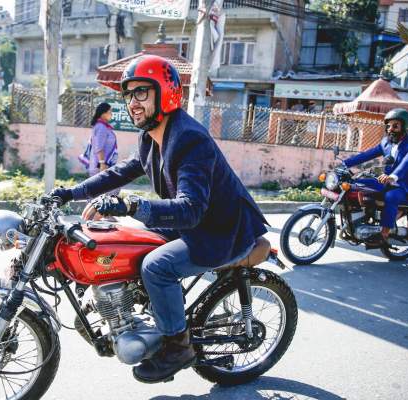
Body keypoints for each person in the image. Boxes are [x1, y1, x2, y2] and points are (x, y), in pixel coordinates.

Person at [51, 55, 269, 383]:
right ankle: (152, 310)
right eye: (128, 95)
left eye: (141, 93)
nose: (132, 103)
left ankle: (177, 346)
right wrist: (69, 193)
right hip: (191, 223)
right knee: (125, 239)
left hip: (221, 230)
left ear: (165, 93)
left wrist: (131, 204)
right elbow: (122, 171)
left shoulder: (189, 139)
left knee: (157, 267)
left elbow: (191, 208)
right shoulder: (151, 135)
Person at [343, 108, 408, 248]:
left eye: (395, 126)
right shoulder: (385, 142)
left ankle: (384, 234)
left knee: (391, 197)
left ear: (404, 127)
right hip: (385, 180)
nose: (390, 129)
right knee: (354, 184)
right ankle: (358, 222)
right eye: (388, 126)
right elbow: (367, 154)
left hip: (405, 185)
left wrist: (393, 176)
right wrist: (344, 164)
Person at [88, 102, 118, 176]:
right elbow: (99, 147)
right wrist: (102, 163)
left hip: (105, 164)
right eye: (110, 111)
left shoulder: (103, 126)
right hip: (101, 166)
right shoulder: (101, 127)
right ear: (103, 113)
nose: (111, 114)